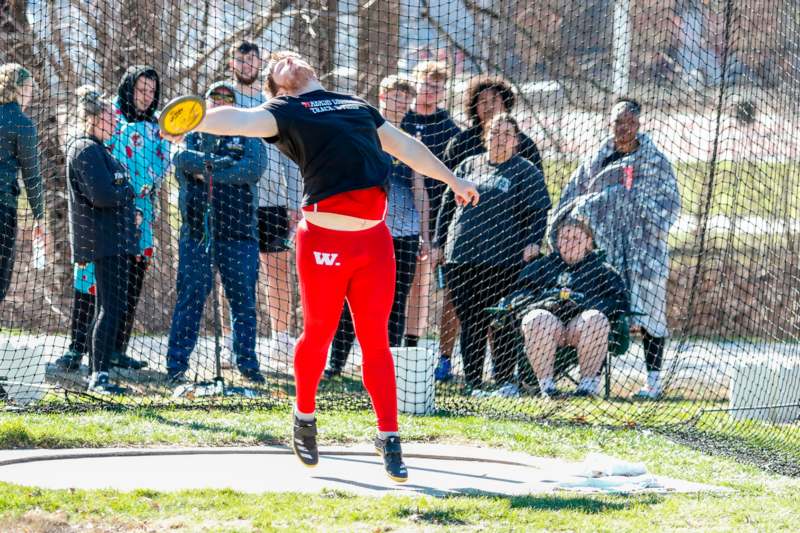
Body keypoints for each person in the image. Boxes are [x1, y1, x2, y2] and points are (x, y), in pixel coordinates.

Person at [166, 51, 479, 482]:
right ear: (277, 84)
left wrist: (453, 180)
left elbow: (406, 147)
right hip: (323, 241)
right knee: (317, 335)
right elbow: (235, 119)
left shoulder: (357, 105)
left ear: (311, 69)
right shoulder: (282, 110)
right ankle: (304, 416)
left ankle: (389, 436)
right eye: (277, 63)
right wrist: (193, 121)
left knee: (376, 343)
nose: (288, 59)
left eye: (291, 56)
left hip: (374, 241)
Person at [556, 98, 680, 399]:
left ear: (638, 125)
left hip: (644, 258)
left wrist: (629, 203)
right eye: (617, 122)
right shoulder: (596, 160)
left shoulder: (655, 162)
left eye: (629, 122)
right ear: (609, 124)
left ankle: (653, 381)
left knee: (650, 316)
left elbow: (670, 206)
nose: (623, 128)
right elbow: (572, 200)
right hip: (604, 257)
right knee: (599, 313)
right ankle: (591, 379)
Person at [435, 74, 546, 382]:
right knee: (469, 318)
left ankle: (504, 378)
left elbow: (538, 210)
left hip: (505, 259)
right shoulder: (466, 158)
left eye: (494, 102)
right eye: (482, 102)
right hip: (463, 256)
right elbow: (446, 205)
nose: (488, 108)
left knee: (501, 318)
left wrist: (533, 241)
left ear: (516, 138)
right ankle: (469, 377)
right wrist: (439, 243)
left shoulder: (526, 165)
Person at [165, 82, 267, 385]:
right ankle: (176, 366)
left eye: (227, 99)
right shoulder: (192, 132)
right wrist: (224, 166)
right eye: (215, 98)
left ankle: (247, 364)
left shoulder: (249, 133)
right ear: (206, 104)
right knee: (190, 298)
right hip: (197, 233)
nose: (221, 102)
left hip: (239, 234)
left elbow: (252, 169)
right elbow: (182, 160)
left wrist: (208, 170)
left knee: (244, 302)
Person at [325, 75, 425, 378]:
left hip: (404, 233)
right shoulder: (360, 134)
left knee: (396, 300)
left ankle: (385, 364)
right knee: (349, 298)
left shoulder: (410, 142)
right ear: (381, 98)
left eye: (405, 100)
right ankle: (336, 363)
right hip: (363, 230)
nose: (400, 104)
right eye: (395, 97)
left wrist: (425, 233)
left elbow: (420, 190)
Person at [228, 40, 302, 366]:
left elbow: (290, 158)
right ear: (233, 63)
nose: (247, 64)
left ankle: (281, 340)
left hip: (272, 203)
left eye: (252, 59)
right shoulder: (223, 99)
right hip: (234, 199)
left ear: (260, 65)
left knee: (277, 270)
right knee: (235, 272)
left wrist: (295, 202)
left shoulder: (271, 103)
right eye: (241, 59)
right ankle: (237, 342)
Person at [66, 86, 137, 394]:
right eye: (110, 115)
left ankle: (101, 372)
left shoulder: (101, 149)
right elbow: (103, 194)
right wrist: (127, 192)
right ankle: (99, 376)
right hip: (103, 242)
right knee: (110, 308)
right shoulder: (85, 149)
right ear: (94, 117)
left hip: (116, 240)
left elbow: (115, 191)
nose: (115, 120)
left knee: (113, 307)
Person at [513, 215, 630, 398]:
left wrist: (583, 304)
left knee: (595, 319)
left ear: (588, 242)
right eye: (565, 238)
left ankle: (587, 387)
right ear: (557, 242)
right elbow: (518, 298)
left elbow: (620, 302)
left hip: (582, 329)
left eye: (576, 238)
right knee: (536, 318)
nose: (570, 243)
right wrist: (546, 303)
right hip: (550, 329)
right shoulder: (542, 266)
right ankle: (547, 388)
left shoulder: (603, 271)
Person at [105, 65, 170, 370]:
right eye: (141, 90)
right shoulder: (112, 117)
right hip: (111, 211)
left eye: (151, 92)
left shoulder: (157, 125)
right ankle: (94, 348)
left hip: (143, 216)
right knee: (106, 283)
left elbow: (163, 161)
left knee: (133, 283)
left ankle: (119, 348)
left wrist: (146, 185)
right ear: (129, 88)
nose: (146, 97)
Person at [400, 61, 461, 354]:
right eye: (426, 84)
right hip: (393, 211)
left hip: (431, 217)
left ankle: (411, 345)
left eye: (438, 87)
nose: (431, 91)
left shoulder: (449, 128)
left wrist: (437, 232)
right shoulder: (401, 118)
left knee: (420, 285)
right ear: (415, 83)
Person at [0, 63, 44, 303]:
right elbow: (32, 176)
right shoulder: (22, 123)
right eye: (29, 89)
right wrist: (40, 217)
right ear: (20, 89)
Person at [53, 263, 96, 372]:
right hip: (88, 260)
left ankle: (115, 352)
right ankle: (76, 350)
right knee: (83, 307)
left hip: (116, 258)